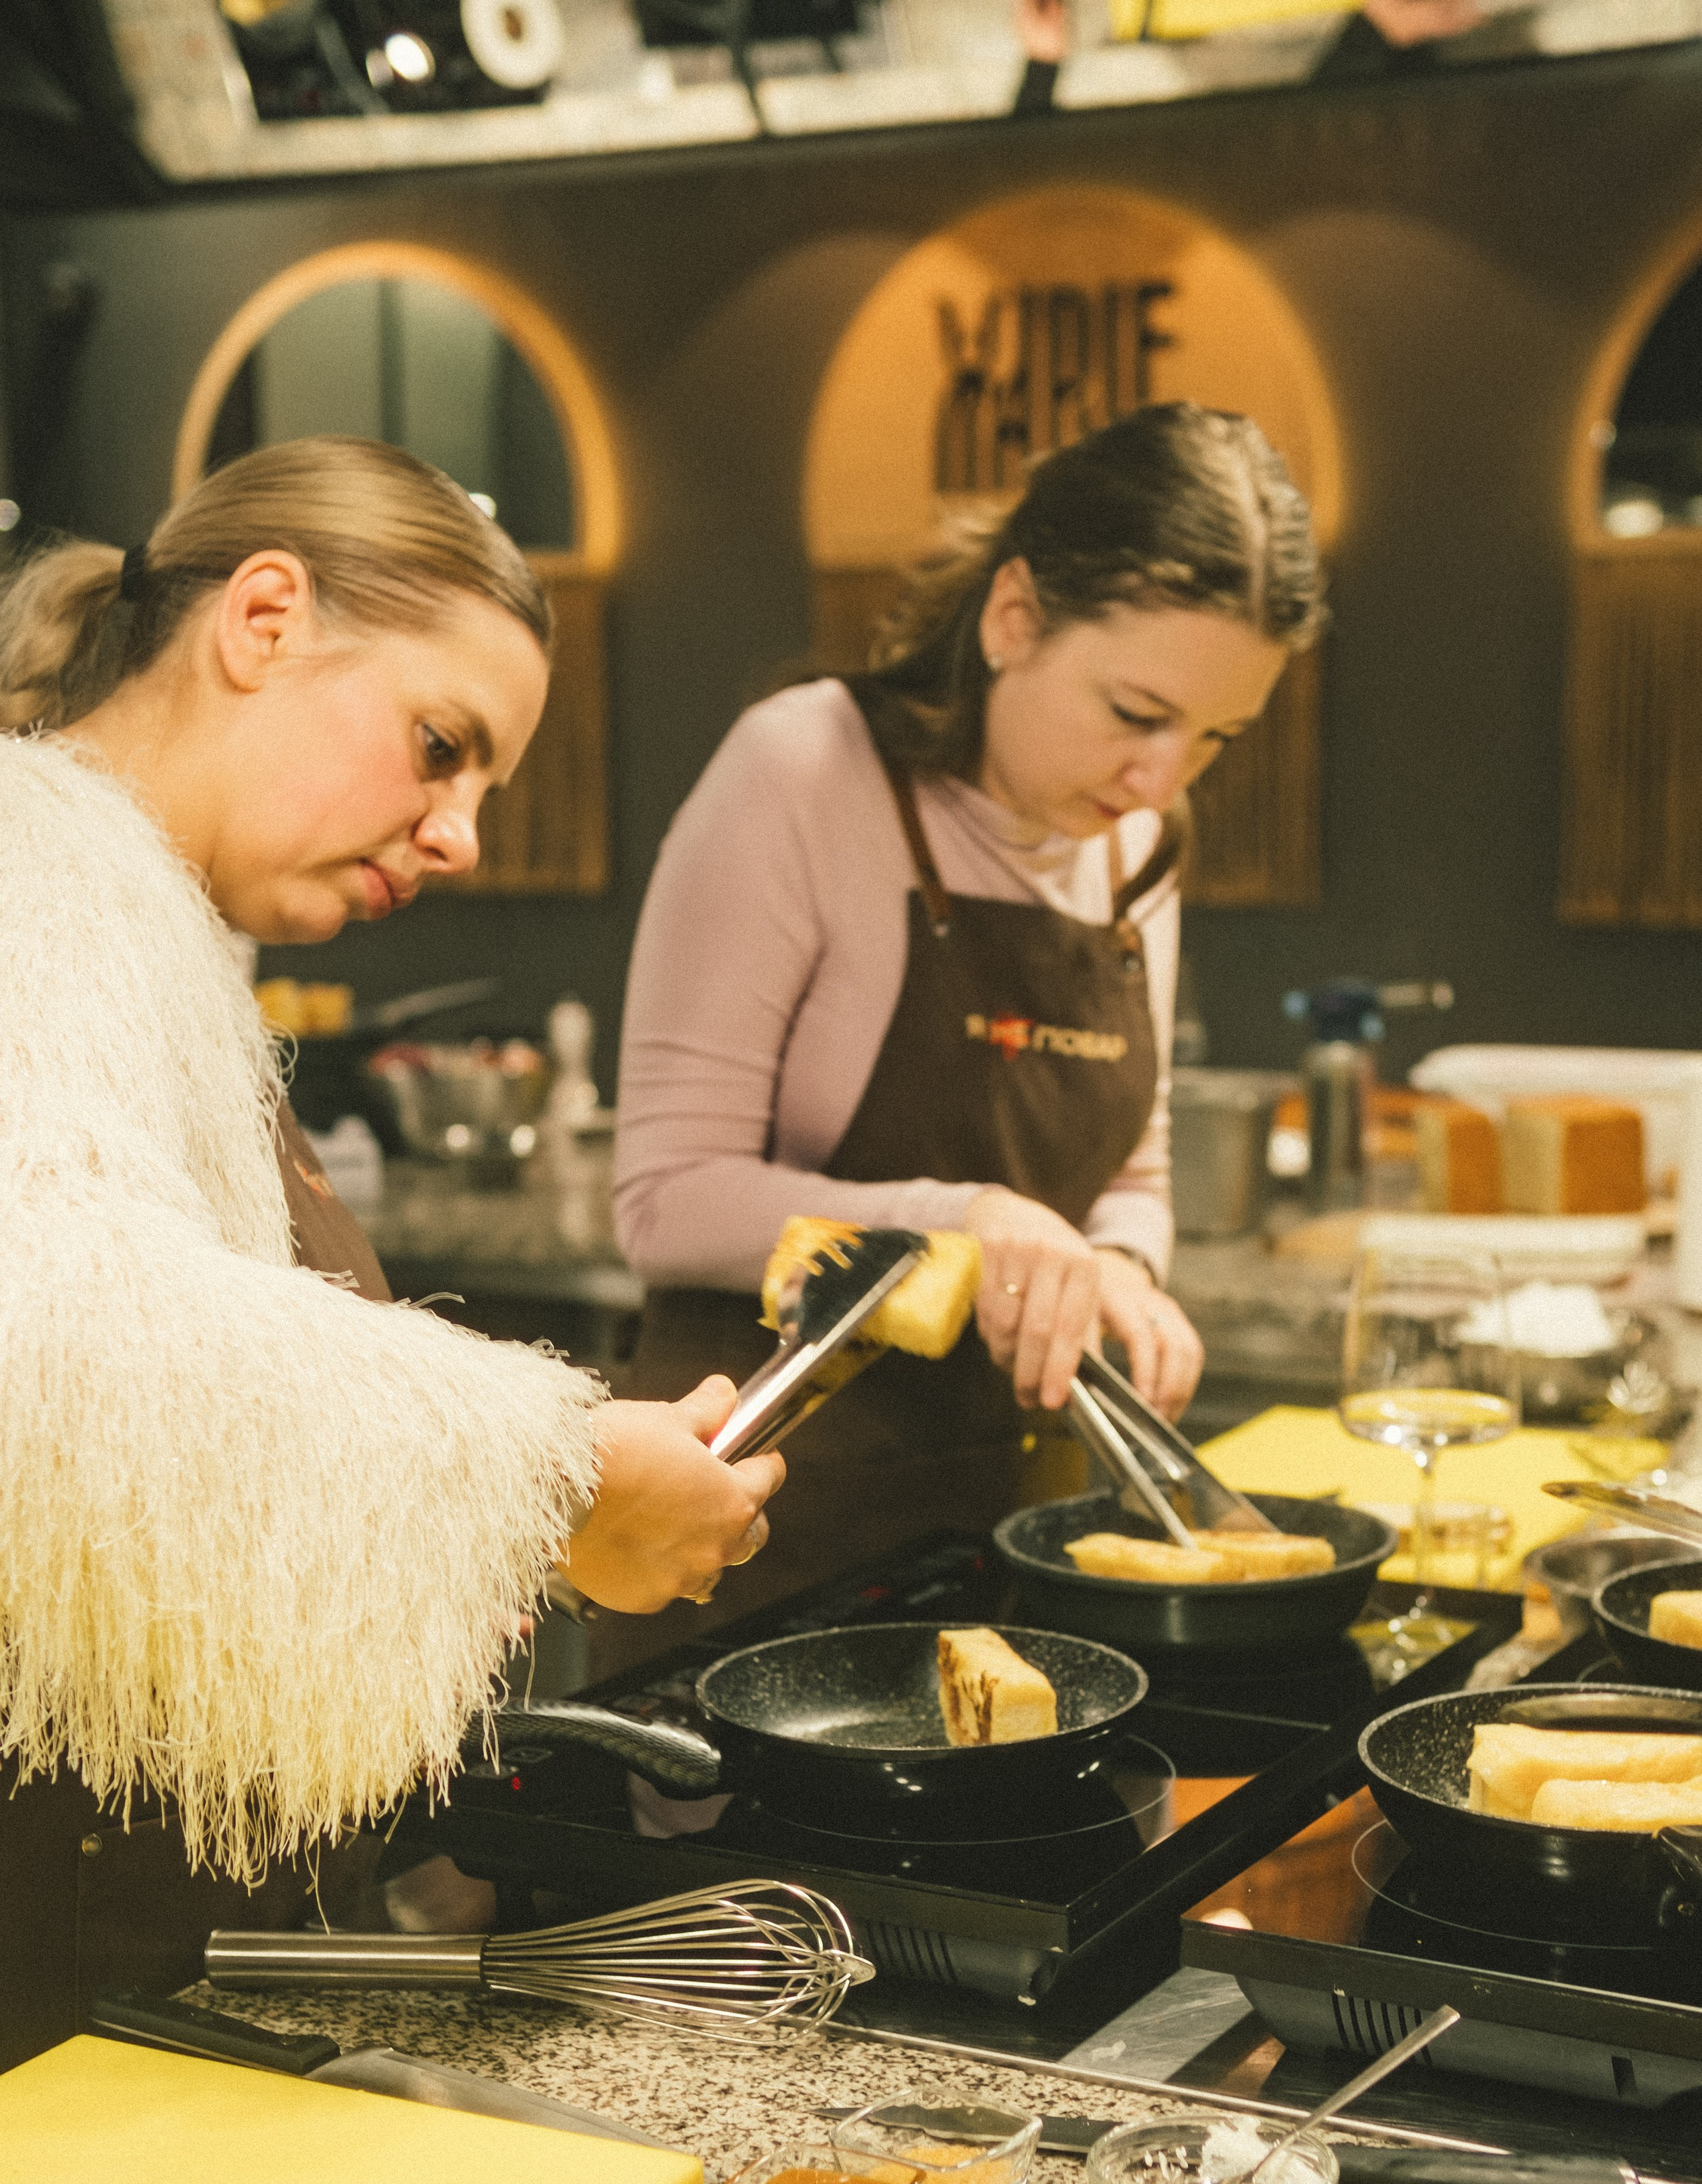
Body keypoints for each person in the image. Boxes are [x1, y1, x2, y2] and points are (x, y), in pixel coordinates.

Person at [0, 437, 783, 2024]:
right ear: (264, 620)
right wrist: (552, 1470)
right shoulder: (38, 870)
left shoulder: (145, 911)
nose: (461, 836)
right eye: (441, 746)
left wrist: (456, 1530)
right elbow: (63, 1342)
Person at [611, 402, 1325, 1650]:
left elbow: (1134, 1174)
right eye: (1136, 712)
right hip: (768, 1527)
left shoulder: (1137, 841)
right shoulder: (805, 773)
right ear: (1013, 620)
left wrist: (1117, 1267)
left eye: (1216, 738)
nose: (1163, 782)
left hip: (1023, 1529)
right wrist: (971, 1222)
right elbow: (664, 1200)